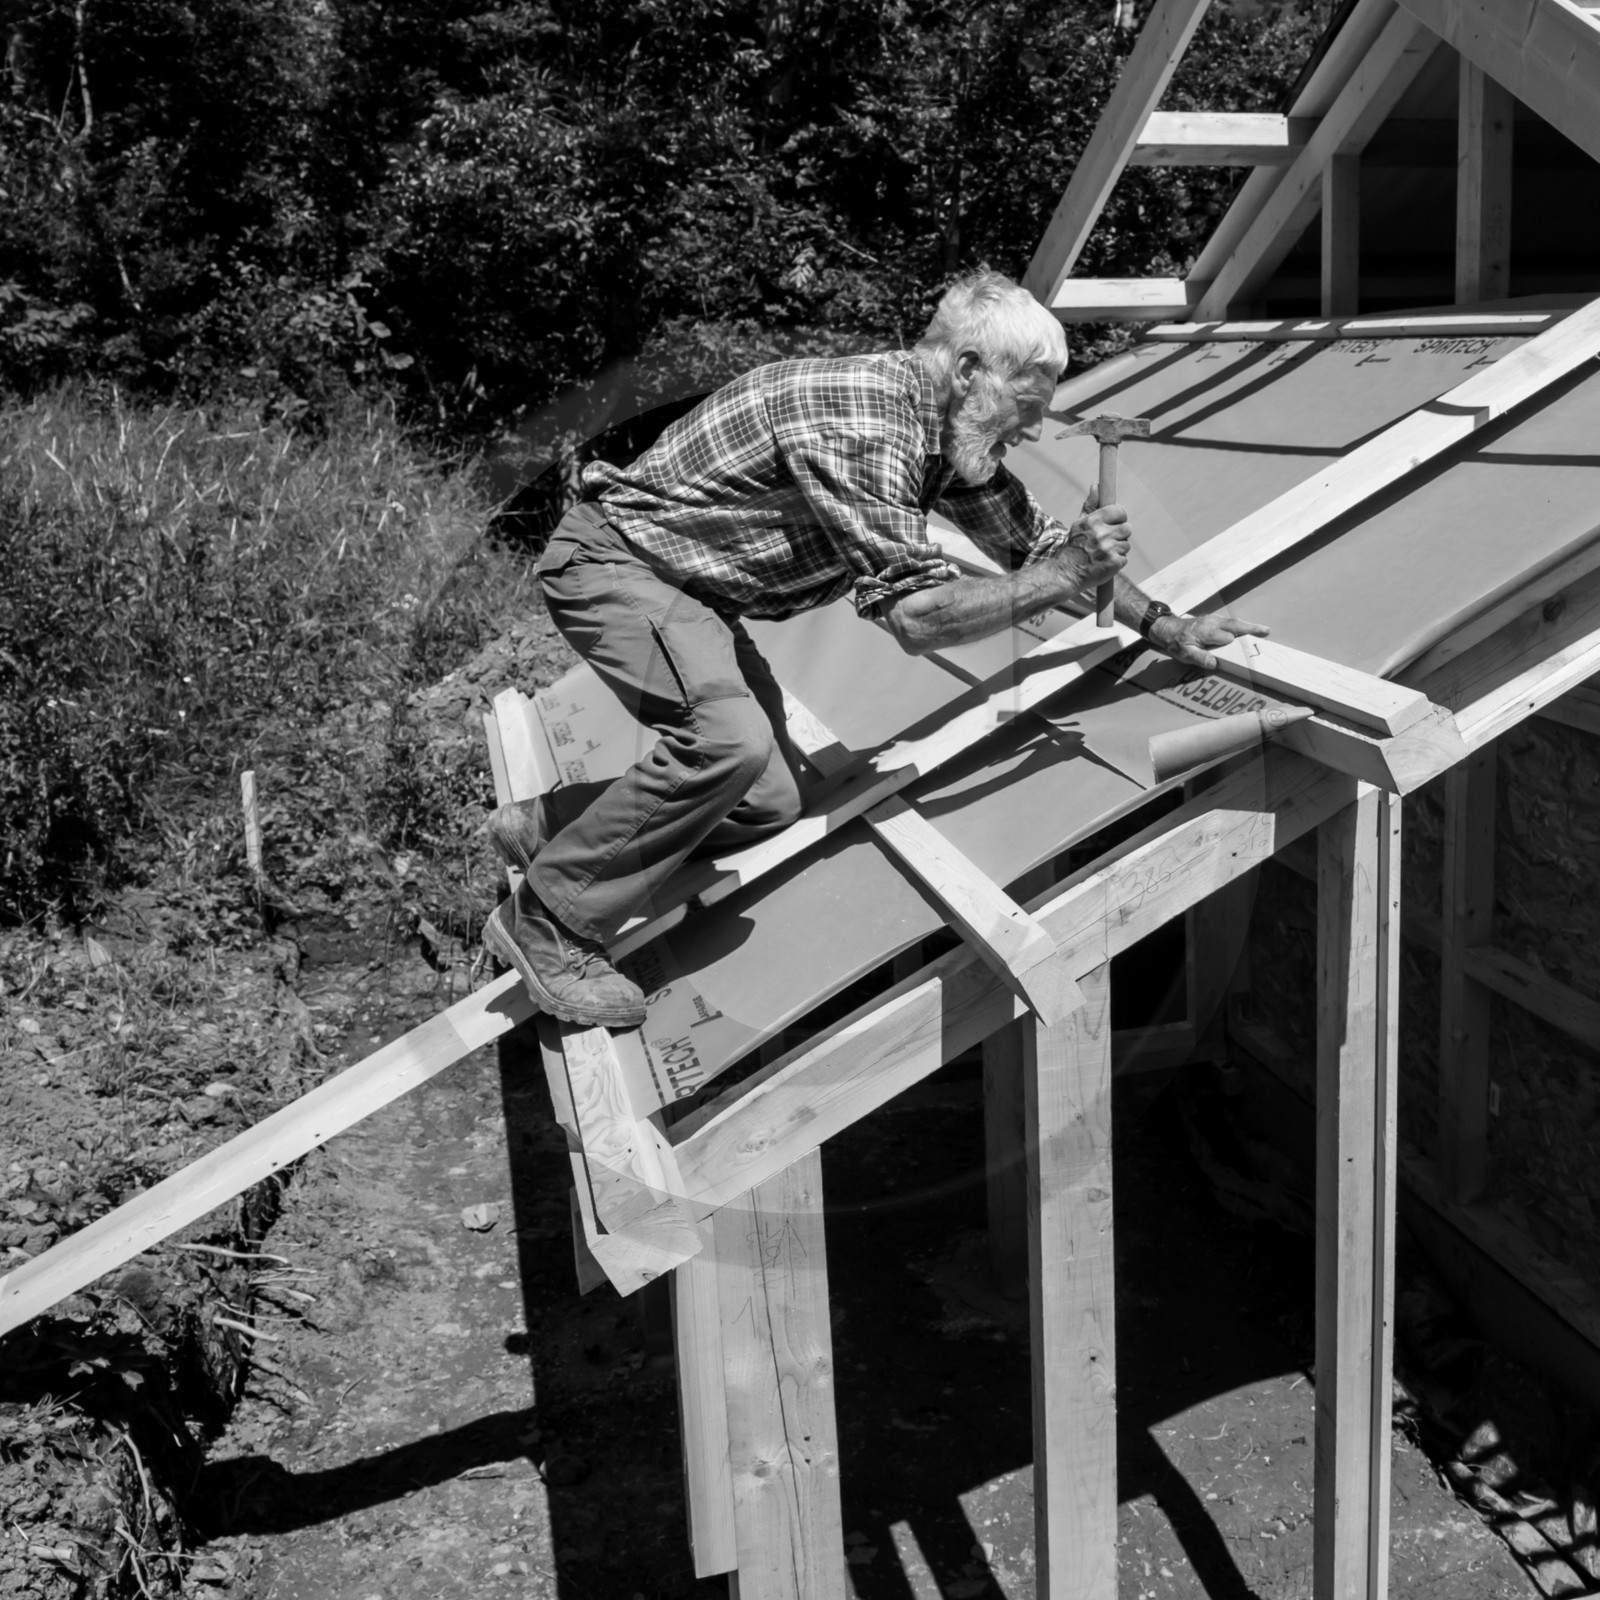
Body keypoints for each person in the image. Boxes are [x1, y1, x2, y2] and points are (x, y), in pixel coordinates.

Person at [483, 268, 1264, 1027]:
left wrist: (1163, 623)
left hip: (691, 591)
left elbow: (1035, 545)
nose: (1031, 429)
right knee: (727, 742)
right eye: (1024, 407)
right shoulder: (864, 423)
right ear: (967, 370)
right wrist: (1067, 574)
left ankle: (556, 825)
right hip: (620, 563)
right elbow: (918, 617)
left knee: (769, 802)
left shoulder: (945, 437)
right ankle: (549, 922)